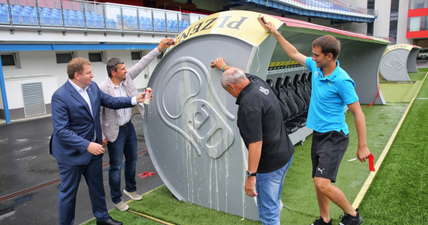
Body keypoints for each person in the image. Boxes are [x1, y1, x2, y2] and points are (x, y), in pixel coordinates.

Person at [265, 23, 371, 225]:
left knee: (322, 183)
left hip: (334, 136)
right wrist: (276, 33)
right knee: (319, 181)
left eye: (316, 55)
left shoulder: (342, 81)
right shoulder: (316, 67)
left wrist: (362, 145)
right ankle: (325, 219)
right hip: (320, 134)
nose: (312, 58)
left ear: (329, 57)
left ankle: (352, 216)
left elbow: (358, 113)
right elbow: (294, 53)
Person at [50, 57, 147, 225]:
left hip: (94, 150)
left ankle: (102, 218)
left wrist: (134, 99)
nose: (93, 76)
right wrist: (87, 145)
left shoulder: (92, 88)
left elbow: (111, 101)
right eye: (89, 73)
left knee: (97, 188)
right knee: (68, 194)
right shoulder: (60, 96)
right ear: (77, 75)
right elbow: (61, 131)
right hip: (71, 154)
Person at [212, 58, 295, 225]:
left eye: (229, 92)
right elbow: (238, 72)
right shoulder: (257, 82)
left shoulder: (248, 105)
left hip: (269, 165)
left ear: (231, 86)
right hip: (285, 154)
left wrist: (251, 176)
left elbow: (256, 143)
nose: (231, 95)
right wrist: (224, 68)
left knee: (267, 212)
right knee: (274, 199)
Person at [99, 38, 172, 211]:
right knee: (116, 166)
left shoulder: (128, 78)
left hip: (128, 127)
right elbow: (97, 114)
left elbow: (142, 62)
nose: (126, 71)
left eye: (125, 68)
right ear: (113, 73)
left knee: (132, 160)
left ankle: (130, 189)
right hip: (113, 132)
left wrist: (159, 49)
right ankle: (117, 199)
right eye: (122, 69)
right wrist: (101, 135)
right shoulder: (102, 88)